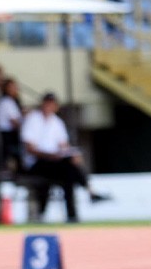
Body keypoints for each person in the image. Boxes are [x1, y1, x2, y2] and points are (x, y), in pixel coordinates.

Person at [19, 93, 108, 223]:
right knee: (69, 168)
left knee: (69, 174)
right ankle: (89, 192)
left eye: (52, 104)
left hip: (56, 163)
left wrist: (71, 154)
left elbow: (63, 146)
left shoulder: (57, 122)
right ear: (43, 104)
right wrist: (51, 155)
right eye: (47, 103)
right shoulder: (33, 119)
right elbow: (30, 148)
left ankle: (72, 215)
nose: (49, 106)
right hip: (37, 163)